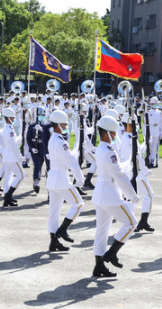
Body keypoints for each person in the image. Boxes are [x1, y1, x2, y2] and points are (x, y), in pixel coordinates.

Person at [91, 116, 139, 277]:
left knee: (102, 230)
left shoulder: (101, 148)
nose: (115, 135)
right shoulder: (109, 152)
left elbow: (116, 168)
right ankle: (112, 253)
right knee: (131, 223)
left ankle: (99, 266)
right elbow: (119, 176)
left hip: (100, 195)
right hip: (111, 195)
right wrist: (132, 195)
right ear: (106, 133)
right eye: (113, 133)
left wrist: (129, 162)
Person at [46, 110, 84, 252]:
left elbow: (65, 157)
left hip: (52, 179)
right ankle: (63, 229)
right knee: (79, 204)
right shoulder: (60, 141)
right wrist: (79, 177)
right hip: (62, 179)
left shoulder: (53, 139)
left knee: (54, 212)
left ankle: (54, 241)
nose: (65, 127)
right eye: (64, 124)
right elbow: (70, 161)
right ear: (58, 125)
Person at [0, 108, 25, 207]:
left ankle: (7, 199)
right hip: (12, 156)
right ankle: (9, 195)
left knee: (8, 178)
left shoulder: (8, 128)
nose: (14, 119)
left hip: (7, 156)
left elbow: (15, 141)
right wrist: (19, 157)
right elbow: (13, 145)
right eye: (13, 117)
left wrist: (22, 133)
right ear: (8, 118)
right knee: (21, 176)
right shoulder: (8, 129)